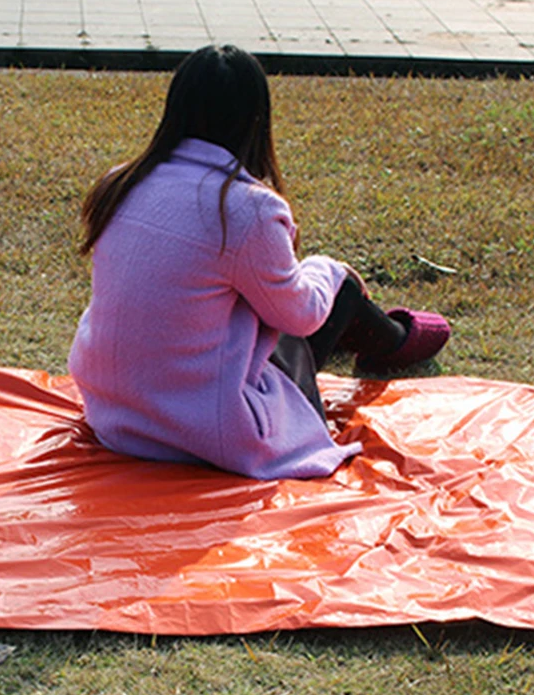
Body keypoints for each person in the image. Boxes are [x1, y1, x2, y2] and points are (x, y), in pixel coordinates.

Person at [68, 44, 450, 481]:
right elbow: (301, 316)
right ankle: (396, 340)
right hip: (201, 431)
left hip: (115, 414)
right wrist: (329, 267)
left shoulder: (118, 183)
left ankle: (388, 338)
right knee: (335, 289)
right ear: (255, 120)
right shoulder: (245, 208)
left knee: (259, 295)